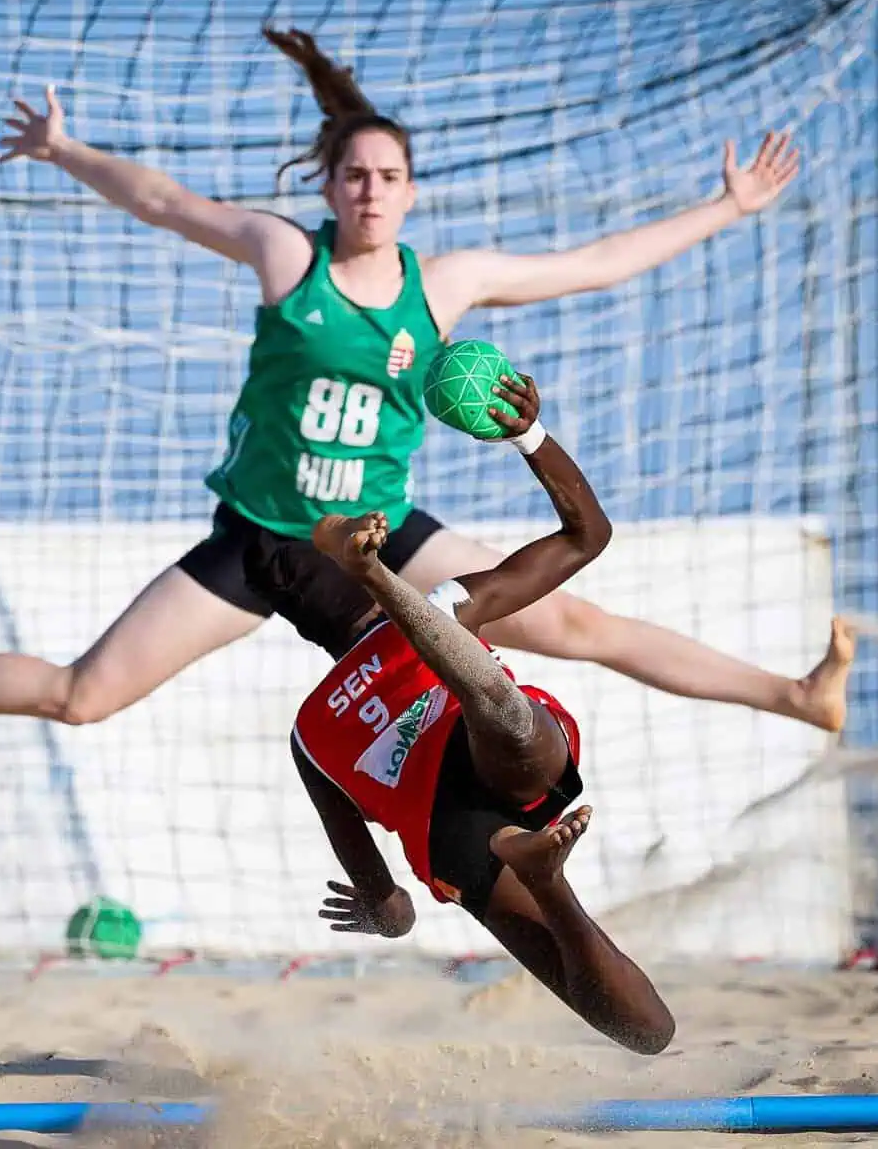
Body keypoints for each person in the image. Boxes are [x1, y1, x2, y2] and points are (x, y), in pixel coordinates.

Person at [0, 25, 854, 739]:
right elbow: (166, 201)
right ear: (329, 184)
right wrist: (65, 147)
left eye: (389, 176)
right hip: (263, 540)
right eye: (355, 174)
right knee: (82, 696)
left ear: (410, 192)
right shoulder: (284, 258)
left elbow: (592, 262)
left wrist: (728, 210)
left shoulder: (448, 286)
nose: (371, 190)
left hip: (385, 539)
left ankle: (796, 696)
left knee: (579, 626)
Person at [254, 372, 672, 1054]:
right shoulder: (449, 600)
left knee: (647, 1034)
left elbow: (394, 913)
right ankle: (395, 595)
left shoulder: (309, 735)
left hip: (453, 834)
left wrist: (379, 910)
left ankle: (548, 883)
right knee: (494, 706)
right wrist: (527, 435)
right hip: (504, 748)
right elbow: (586, 535)